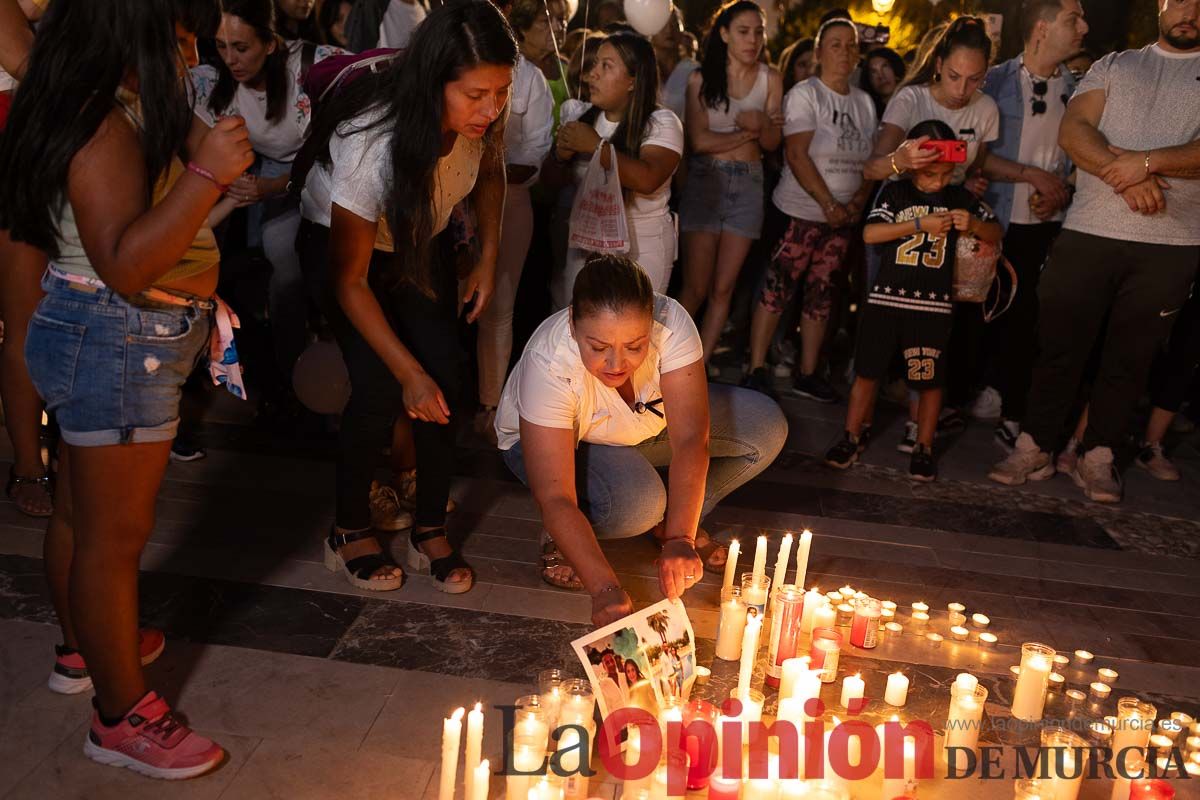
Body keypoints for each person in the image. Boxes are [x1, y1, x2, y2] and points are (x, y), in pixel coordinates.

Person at [0, 0, 252, 777]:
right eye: (177, 29)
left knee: (85, 515)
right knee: (114, 541)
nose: (190, 43)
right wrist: (208, 175)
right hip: (117, 337)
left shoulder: (93, 95)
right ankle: (120, 718)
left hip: (109, 335)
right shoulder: (99, 122)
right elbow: (126, 263)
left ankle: (86, 650)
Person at [303, 0, 513, 591]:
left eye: (499, 92)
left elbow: (492, 168)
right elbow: (349, 281)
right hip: (343, 249)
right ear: (434, 82)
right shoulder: (373, 142)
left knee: (447, 373)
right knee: (376, 385)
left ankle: (429, 527)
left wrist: (487, 257)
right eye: (475, 95)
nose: (490, 108)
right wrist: (406, 373)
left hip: (421, 241)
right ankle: (346, 528)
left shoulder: (485, 113)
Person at [495, 254, 787, 625]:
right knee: (638, 505)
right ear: (572, 323)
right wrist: (605, 589)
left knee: (765, 426)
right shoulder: (548, 361)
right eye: (598, 347)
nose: (617, 363)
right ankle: (566, 537)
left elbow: (691, 439)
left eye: (635, 346)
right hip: (560, 446)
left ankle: (672, 522)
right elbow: (556, 496)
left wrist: (681, 537)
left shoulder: (671, 322)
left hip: (637, 431)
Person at [989, 0, 1200, 503]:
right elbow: (1074, 130)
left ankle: (1098, 456)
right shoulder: (1115, 64)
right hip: (1088, 231)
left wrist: (1146, 161)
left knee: (1131, 356)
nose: (1188, 9)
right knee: (1059, 344)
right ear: (1160, 6)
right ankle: (1035, 445)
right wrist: (1126, 177)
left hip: (1172, 241)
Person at [825, 122, 1001, 481]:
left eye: (946, 174)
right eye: (930, 173)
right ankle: (851, 435)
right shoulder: (895, 192)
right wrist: (919, 224)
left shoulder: (959, 198)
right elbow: (871, 233)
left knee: (928, 378)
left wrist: (974, 225)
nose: (937, 181)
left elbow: (995, 232)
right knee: (868, 371)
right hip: (886, 299)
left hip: (933, 306)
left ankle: (923, 444)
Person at [191, 0, 343, 392]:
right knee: (282, 263)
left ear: (271, 43)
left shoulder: (314, 67)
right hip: (274, 172)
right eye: (222, 47)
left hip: (329, 167)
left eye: (241, 48)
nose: (231, 59)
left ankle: (339, 363)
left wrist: (271, 189)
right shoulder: (213, 85)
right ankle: (289, 374)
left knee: (334, 267)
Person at [863, 16, 999, 447]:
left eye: (974, 79)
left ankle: (917, 422)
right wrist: (902, 161)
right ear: (938, 64)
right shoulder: (911, 99)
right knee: (883, 324)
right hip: (900, 220)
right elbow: (872, 167)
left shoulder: (987, 109)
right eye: (955, 76)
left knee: (932, 335)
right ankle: (862, 415)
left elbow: (978, 168)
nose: (962, 89)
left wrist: (975, 183)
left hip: (949, 232)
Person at [742, 18, 876, 402]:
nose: (845, 52)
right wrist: (828, 203)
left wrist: (855, 203)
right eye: (835, 45)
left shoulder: (864, 102)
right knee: (778, 287)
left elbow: (871, 160)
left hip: (842, 219)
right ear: (818, 53)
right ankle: (756, 366)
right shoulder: (806, 94)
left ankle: (808, 370)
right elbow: (797, 154)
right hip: (801, 212)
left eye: (851, 45)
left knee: (823, 292)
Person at [978, 0, 1087, 449]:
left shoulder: (1082, 89)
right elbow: (973, 152)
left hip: (1049, 223)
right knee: (982, 307)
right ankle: (967, 392)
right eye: (1072, 19)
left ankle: (1013, 409)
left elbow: (1090, 154)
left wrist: (1061, 187)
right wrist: (1029, 175)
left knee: (1032, 318)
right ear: (1041, 29)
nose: (1085, 26)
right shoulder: (995, 80)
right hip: (997, 215)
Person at [678, 1, 783, 368]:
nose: (752, 39)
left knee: (724, 287)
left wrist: (762, 130)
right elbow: (699, 141)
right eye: (743, 31)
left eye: (758, 31)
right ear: (724, 34)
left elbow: (771, 143)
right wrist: (749, 131)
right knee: (695, 288)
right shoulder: (700, 79)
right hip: (707, 181)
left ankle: (699, 366)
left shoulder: (771, 79)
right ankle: (668, 363)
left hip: (750, 185)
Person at [545, 31, 684, 306]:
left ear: (633, 80)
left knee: (637, 329)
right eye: (594, 64)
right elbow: (549, 183)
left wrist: (598, 148)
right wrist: (560, 156)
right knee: (578, 325)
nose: (591, 74)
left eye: (606, 66)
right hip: (585, 240)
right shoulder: (581, 115)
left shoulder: (661, 122)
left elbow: (648, 179)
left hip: (642, 244)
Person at [474, 0, 555, 444]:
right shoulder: (452, 58)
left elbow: (535, 157)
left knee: (499, 305)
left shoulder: (531, 79)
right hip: (451, 202)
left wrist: (490, 167)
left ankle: (489, 405)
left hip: (511, 201)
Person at [0, 0, 50, 518]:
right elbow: (35, 73)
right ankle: (28, 465)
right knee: (22, 324)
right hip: (13, 148)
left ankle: (29, 463)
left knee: (25, 322)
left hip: (25, 146)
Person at [653, 8, 697, 122]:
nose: (669, 30)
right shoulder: (642, 68)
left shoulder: (694, 70)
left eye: (675, 24)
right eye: (663, 24)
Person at [860, 46, 906, 118]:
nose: (881, 76)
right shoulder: (868, 115)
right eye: (873, 72)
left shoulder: (914, 103)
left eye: (885, 67)